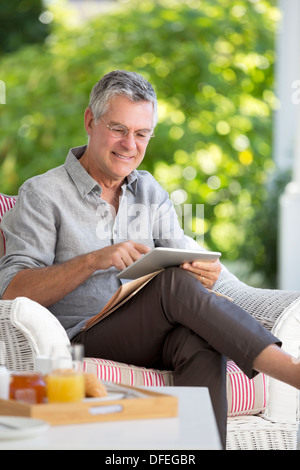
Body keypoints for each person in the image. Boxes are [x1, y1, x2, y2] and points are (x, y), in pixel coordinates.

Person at [1, 70, 300, 449]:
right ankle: (289, 369)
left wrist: (201, 273)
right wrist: (94, 260)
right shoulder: (44, 194)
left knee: (198, 337)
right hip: (81, 336)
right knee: (172, 285)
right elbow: (11, 291)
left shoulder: (149, 191)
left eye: (142, 134)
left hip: (149, 332)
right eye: (119, 129)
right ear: (90, 122)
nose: (130, 144)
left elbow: (181, 266)